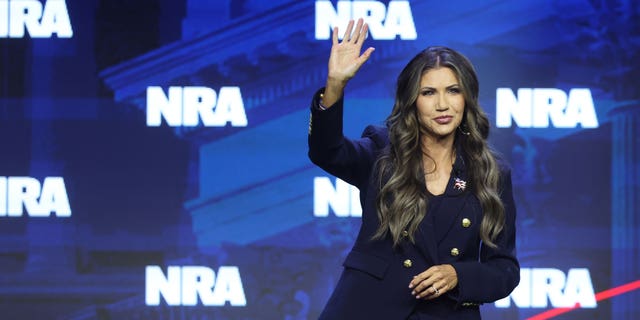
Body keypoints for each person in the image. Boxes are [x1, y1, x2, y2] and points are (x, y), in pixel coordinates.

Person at [307, 19, 519, 319]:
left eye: (453, 91)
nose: (443, 104)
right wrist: (335, 85)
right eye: (428, 93)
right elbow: (326, 152)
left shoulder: (492, 173)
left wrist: (459, 275)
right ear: (412, 101)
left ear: (467, 98)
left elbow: (505, 269)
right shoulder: (381, 154)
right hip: (369, 310)